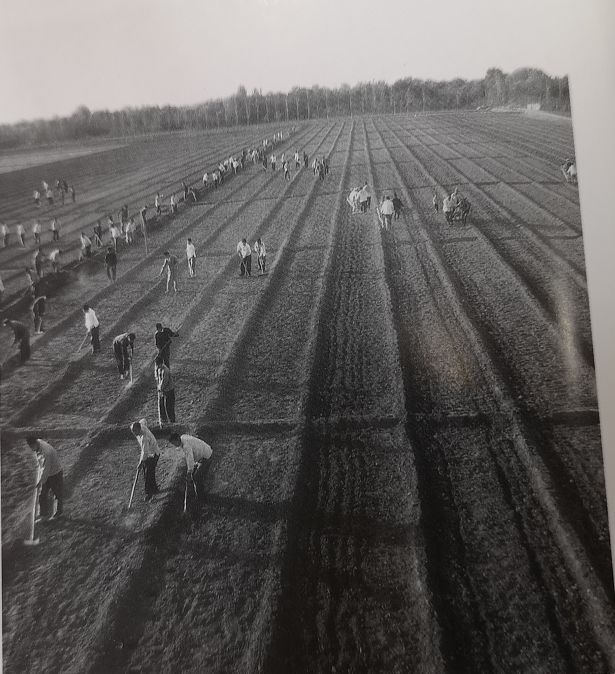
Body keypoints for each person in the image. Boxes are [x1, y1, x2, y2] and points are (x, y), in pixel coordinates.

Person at [168, 432, 213, 502]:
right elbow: (189, 456)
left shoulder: (186, 446)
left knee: (197, 478)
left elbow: (190, 458)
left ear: (177, 439)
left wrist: (189, 471)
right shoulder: (182, 437)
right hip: (202, 454)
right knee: (195, 475)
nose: (174, 445)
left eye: (174, 443)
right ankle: (197, 493)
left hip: (206, 456)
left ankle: (201, 499)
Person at [27, 437, 63, 519]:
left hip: (55, 473)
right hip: (47, 472)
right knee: (42, 495)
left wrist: (40, 482)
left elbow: (46, 469)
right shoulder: (38, 442)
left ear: (35, 444)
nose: (32, 450)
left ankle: (58, 514)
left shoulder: (46, 452)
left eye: (32, 447)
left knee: (57, 494)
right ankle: (44, 514)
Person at [130, 419, 160, 502]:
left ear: (139, 429)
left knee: (148, 474)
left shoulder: (144, 437)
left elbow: (145, 452)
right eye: (132, 430)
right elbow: (144, 420)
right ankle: (155, 489)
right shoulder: (141, 425)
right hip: (151, 453)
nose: (133, 433)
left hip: (153, 454)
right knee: (149, 472)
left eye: (135, 431)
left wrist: (140, 463)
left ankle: (149, 494)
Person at [155, 355, 176, 423]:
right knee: (162, 406)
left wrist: (160, 388)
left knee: (169, 407)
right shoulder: (158, 369)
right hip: (163, 391)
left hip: (169, 391)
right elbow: (157, 378)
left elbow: (164, 381)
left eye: (158, 365)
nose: (157, 366)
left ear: (161, 363)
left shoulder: (165, 370)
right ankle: (164, 420)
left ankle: (172, 420)